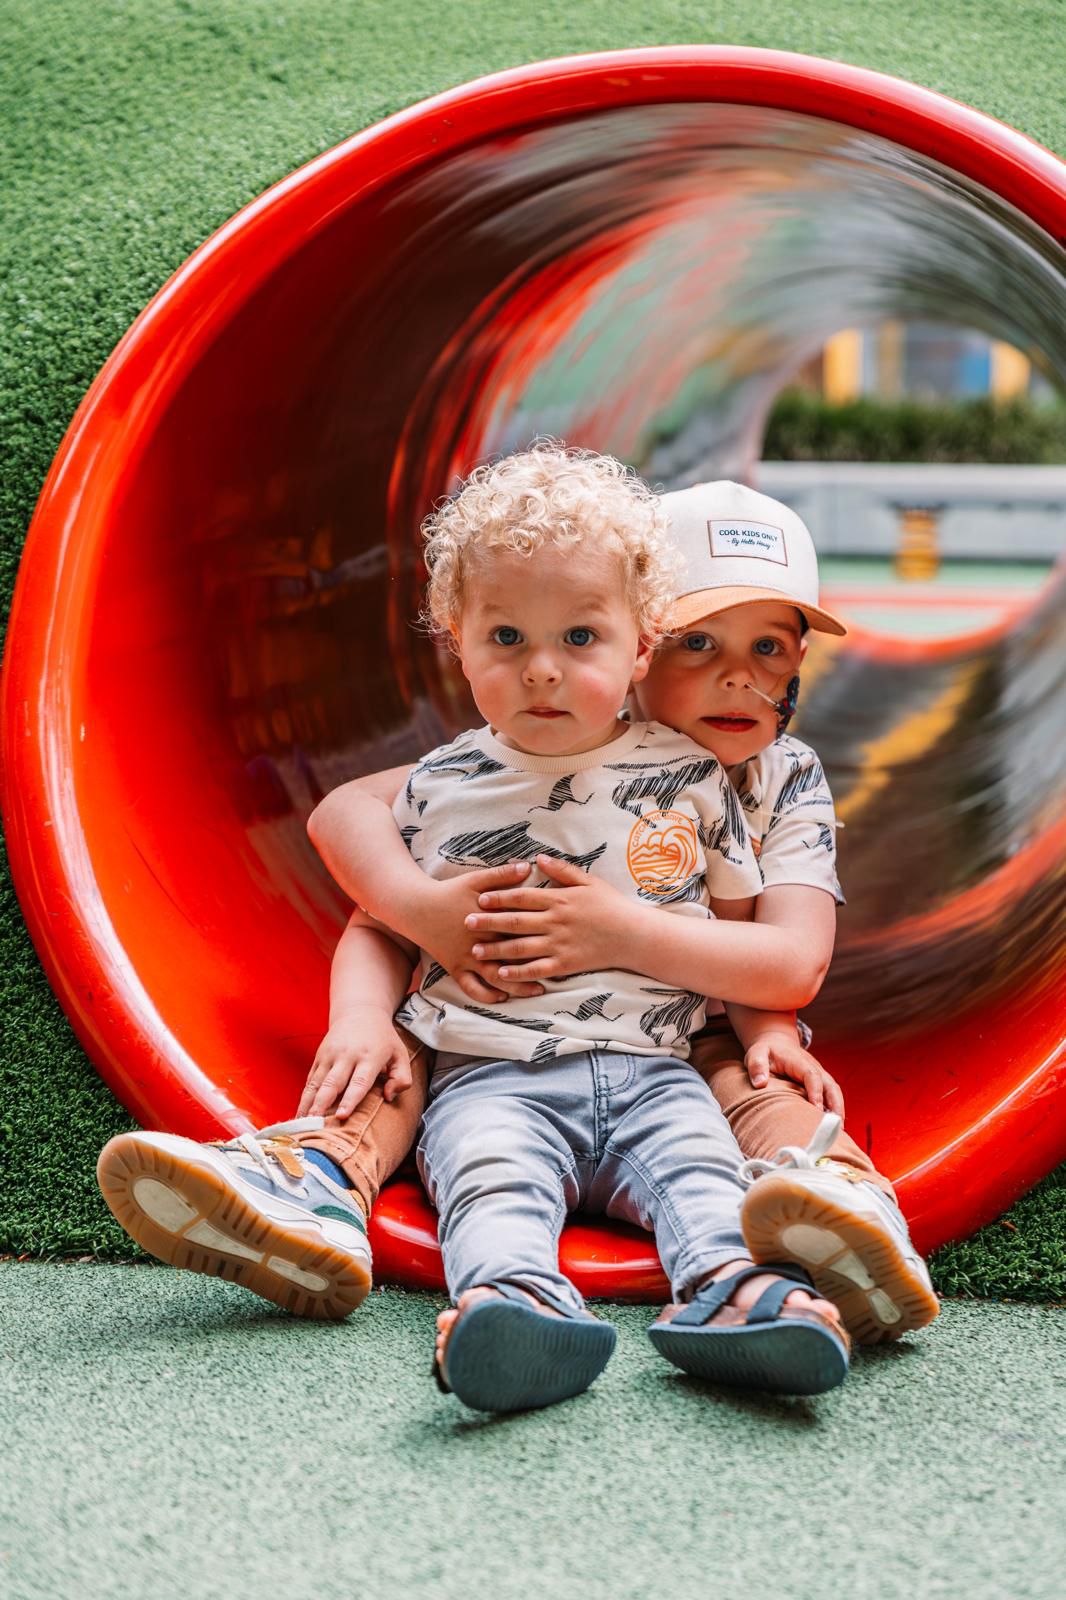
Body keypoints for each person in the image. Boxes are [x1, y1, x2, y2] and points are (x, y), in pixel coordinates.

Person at [98, 446, 850, 1411]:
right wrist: (363, 1020)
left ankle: (741, 1299)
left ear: (635, 645)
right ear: (457, 639)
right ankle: (511, 1308)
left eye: (580, 637)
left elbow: (748, 932)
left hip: (657, 1073)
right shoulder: (447, 786)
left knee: (705, 1182)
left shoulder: (690, 777)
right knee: (492, 1192)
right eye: (506, 637)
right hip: (492, 1075)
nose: (542, 670)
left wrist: (763, 1031)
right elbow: (374, 919)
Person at [295, 477, 939, 1348]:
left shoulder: (784, 779)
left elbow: (788, 964)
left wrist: (631, 939)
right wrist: (420, 909)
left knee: (761, 1089)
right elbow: (350, 814)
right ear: (642, 649)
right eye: (699, 643)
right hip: (509, 1027)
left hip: (693, 1027)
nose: (739, 675)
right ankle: (321, 1175)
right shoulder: (552, 741)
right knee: (426, 1046)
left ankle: (833, 1213)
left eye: (771, 648)